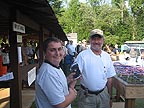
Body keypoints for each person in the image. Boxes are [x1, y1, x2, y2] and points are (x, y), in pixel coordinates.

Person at [75, 29, 116, 108]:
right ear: (90, 40)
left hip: (103, 95)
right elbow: (74, 74)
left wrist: (110, 97)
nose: (96, 42)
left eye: (99, 39)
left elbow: (109, 78)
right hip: (86, 96)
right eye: (94, 39)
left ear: (103, 40)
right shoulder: (82, 56)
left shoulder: (107, 56)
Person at [35, 37, 78, 108]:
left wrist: (67, 80)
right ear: (45, 53)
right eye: (52, 50)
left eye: (59, 49)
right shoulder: (48, 74)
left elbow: (56, 84)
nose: (57, 53)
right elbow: (60, 105)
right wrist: (72, 95)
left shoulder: (54, 66)